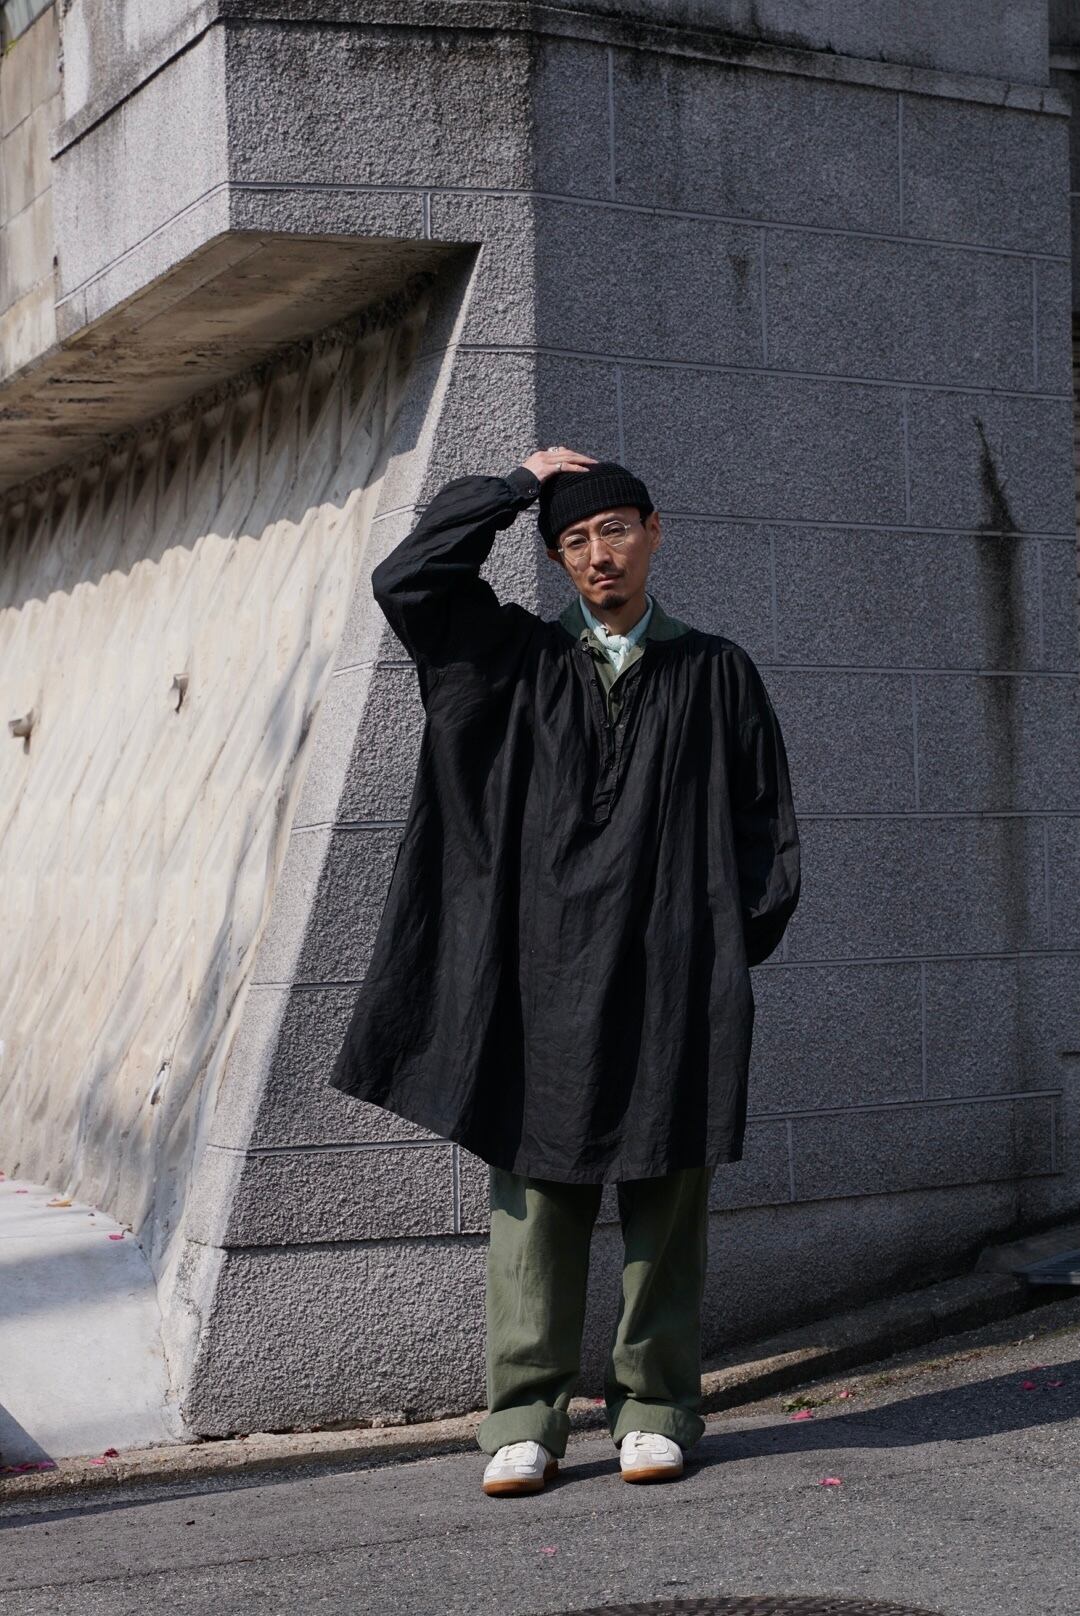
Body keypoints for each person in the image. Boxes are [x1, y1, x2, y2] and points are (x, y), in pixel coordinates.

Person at [329, 444, 801, 1497]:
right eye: (575, 540)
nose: (599, 555)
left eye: (615, 529)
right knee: (536, 1202)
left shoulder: (716, 670)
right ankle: (524, 1416)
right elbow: (410, 580)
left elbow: (765, 830)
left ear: (655, 533)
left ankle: (656, 1408)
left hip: (674, 978)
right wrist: (512, 487)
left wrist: (717, 945)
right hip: (541, 980)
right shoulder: (513, 660)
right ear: (555, 559)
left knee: (668, 1198)